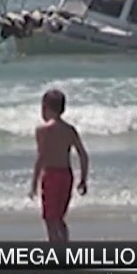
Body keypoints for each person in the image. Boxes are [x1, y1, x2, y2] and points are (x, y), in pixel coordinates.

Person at [29, 89, 89, 243]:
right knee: (59, 218)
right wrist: (83, 179)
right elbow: (83, 155)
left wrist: (34, 184)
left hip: (51, 176)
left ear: (45, 108)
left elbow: (41, 157)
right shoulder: (69, 130)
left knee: (50, 219)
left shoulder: (43, 130)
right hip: (66, 176)